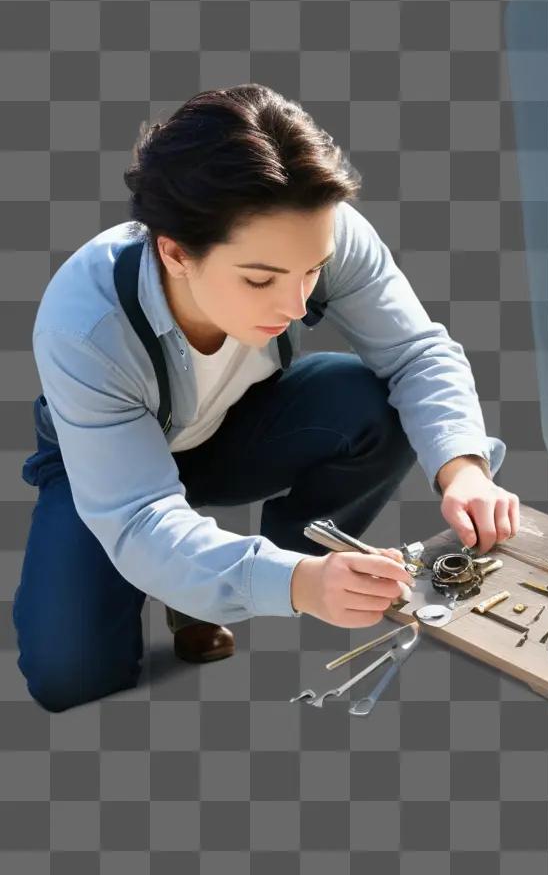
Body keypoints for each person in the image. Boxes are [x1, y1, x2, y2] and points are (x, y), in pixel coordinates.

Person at [13, 84, 517, 713]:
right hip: (114, 472)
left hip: (234, 426)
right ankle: (214, 579)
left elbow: (416, 353)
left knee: (371, 402)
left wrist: (463, 468)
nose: (298, 305)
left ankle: (254, 573)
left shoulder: (316, 232)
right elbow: (138, 514)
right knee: (70, 676)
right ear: (175, 252)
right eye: (259, 280)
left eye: (312, 272)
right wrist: (298, 586)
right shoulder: (80, 326)